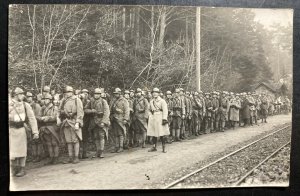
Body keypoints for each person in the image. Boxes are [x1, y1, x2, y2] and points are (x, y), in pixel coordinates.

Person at [9, 87, 39, 177]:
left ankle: (22, 168)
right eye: (20, 94)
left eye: (22, 94)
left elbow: (32, 118)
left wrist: (35, 132)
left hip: (21, 129)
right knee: (12, 150)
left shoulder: (26, 105)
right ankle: (14, 168)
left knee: (22, 150)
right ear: (15, 95)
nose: (22, 96)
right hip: (11, 129)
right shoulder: (9, 104)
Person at [57, 86, 84, 164]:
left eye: (69, 92)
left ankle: (76, 157)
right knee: (68, 141)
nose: (67, 93)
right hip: (66, 122)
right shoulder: (63, 100)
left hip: (74, 121)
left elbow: (80, 112)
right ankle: (70, 157)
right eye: (66, 92)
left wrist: (78, 122)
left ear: (72, 92)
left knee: (75, 140)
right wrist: (58, 118)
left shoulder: (77, 100)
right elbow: (59, 110)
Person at [84, 88, 110, 158]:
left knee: (101, 136)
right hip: (93, 122)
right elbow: (85, 109)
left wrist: (104, 122)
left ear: (100, 95)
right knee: (95, 137)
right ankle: (97, 151)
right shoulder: (91, 101)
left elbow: (107, 112)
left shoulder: (103, 101)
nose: (96, 95)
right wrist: (91, 111)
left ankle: (101, 151)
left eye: (98, 94)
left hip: (101, 120)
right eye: (95, 94)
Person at [38, 94, 60, 165]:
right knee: (49, 143)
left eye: (46, 99)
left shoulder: (54, 107)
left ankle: (56, 158)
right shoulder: (43, 108)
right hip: (45, 127)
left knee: (54, 143)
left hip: (53, 127)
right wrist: (41, 118)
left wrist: (47, 118)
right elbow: (38, 116)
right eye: (44, 99)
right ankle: (51, 158)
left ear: (50, 100)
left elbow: (55, 117)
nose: (45, 100)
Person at [147, 88, 169, 153]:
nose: (154, 93)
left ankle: (163, 147)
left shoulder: (162, 101)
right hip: (153, 118)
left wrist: (164, 118)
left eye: (156, 92)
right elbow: (148, 110)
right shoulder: (151, 101)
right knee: (154, 133)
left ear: (158, 93)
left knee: (162, 133)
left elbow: (165, 110)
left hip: (160, 117)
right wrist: (150, 115)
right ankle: (154, 147)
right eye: (153, 92)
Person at [110, 88, 130, 153]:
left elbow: (127, 111)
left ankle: (121, 147)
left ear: (120, 93)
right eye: (115, 94)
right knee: (115, 134)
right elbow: (110, 109)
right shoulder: (113, 100)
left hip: (121, 119)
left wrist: (125, 119)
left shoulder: (124, 100)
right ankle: (116, 146)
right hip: (114, 118)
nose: (116, 95)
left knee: (121, 133)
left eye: (117, 93)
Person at [25, 92, 43, 162]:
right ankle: (34, 155)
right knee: (32, 141)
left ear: (32, 97)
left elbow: (39, 116)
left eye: (29, 97)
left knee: (37, 141)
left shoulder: (36, 105)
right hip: (28, 126)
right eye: (27, 97)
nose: (28, 98)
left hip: (36, 124)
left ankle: (39, 155)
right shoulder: (26, 105)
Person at [79, 89, 91, 159]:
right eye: (83, 93)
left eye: (86, 93)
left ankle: (84, 153)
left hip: (86, 122)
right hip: (79, 121)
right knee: (79, 138)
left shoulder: (89, 101)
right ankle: (79, 154)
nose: (85, 95)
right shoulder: (78, 100)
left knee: (85, 138)